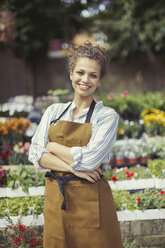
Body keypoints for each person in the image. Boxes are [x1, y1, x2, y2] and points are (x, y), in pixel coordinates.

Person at [29, 41, 123, 248]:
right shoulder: (53, 111)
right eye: (80, 72)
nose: (85, 80)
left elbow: (89, 161)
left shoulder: (106, 116)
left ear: (99, 81)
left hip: (91, 203)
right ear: (71, 74)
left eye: (93, 75)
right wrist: (75, 169)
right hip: (57, 200)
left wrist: (52, 147)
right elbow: (35, 153)